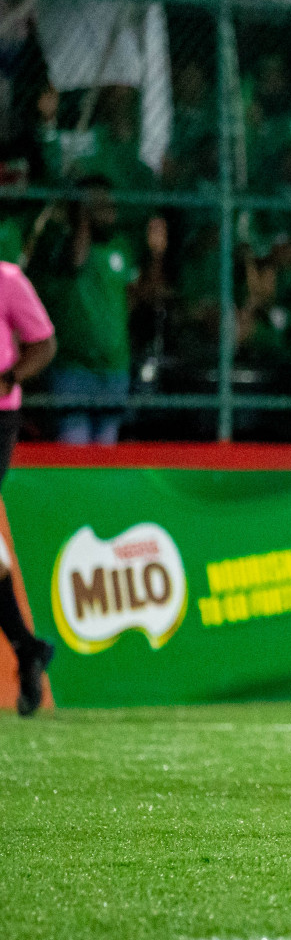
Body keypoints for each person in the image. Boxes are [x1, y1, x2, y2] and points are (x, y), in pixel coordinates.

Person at [39, 177, 164, 445]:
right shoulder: (61, 245)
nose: (110, 210)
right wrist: (83, 218)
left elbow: (140, 294)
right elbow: (76, 261)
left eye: (109, 203)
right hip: (73, 369)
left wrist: (155, 254)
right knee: (73, 452)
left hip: (114, 369)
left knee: (105, 455)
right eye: (99, 204)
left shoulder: (120, 245)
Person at [0, 259, 57, 714]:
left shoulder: (8, 280)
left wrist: (11, 376)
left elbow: (43, 344)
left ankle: (26, 646)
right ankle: (26, 646)